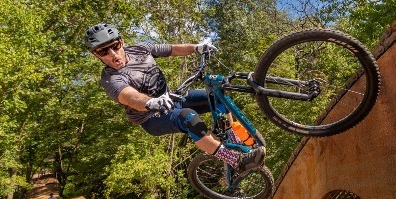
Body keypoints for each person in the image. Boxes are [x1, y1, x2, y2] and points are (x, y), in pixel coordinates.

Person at [84, 23, 265, 175]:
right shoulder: (110, 78)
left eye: (115, 46)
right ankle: (236, 161)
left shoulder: (141, 49)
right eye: (103, 52)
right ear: (96, 55)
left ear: (121, 42)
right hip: (151, 117)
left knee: (217, 96)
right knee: (187, 116)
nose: (113, 54)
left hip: (172, 98)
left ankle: (232, 140)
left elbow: (173, 49)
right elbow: (129, 97)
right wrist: (150, 103)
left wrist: (196, 47)